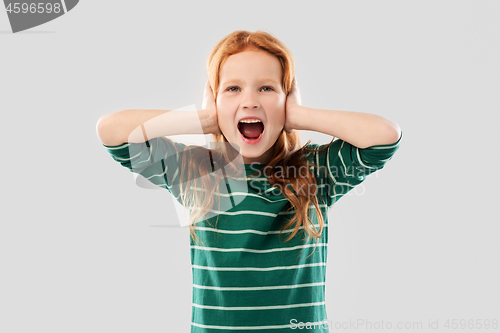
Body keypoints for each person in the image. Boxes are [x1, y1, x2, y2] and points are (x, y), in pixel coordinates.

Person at [96, 30, 402, 333]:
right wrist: (203, 119)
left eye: (267, 89)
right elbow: (112, 131)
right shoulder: (196, 171)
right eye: (232, 89)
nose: (250, 102)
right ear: (214, 101)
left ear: (286, 99)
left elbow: (384, 137)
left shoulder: (315, 171)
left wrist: (298, 115)